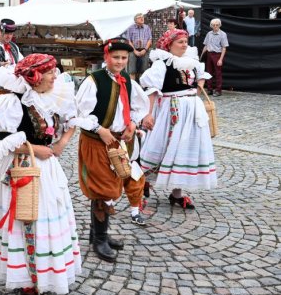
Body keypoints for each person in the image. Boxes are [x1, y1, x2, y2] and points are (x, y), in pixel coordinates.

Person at [0, 54, 81, 295]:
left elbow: (71, 124)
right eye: (50, 72)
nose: (55, 76)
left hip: (46, 167)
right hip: (20, 167)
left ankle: (44, 274)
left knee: (46, 218)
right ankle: (26, 278)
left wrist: (60, 145)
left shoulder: (52, 97)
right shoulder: (11, 103)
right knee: (26, 219)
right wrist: (35, 149)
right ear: (35, 76)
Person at [75, 38, 150, 263]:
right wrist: (100, 129)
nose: (119, 62)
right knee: (102, 189)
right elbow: (80, 111)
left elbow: (139, 105)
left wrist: (133, 123)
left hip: (119, 141)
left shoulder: (126, 79)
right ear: (106, 57)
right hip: (97, 141)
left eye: (124, 58)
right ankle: (99, 239)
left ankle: (98, 233)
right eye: (115, 57)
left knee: (114, 183)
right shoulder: (94, 80)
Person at [139, 28, 216, 210]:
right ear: (169, 44)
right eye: (180, 42)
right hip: (170, 110)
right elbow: (152, 90)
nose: (184, 45)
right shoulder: (162, 63)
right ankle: (142, 184)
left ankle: (176, 194)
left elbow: (200, 79)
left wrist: (197, 86)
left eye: (185, 41)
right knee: (161, 146)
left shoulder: (191, 61)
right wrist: (148, 114)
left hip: (191, 110)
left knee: (183, 149)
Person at [200, 18, 228, 97]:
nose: (215, 26)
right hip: (209, 54)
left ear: (219, 25)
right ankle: (209, 89)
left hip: (217, 55)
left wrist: (220, 59)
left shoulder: (223, 34)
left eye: (217, 25)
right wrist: (201, 56)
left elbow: (224, 48)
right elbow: (206, 45)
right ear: (211, 25)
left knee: (218, 73)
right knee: (208, 73)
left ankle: (218, 90)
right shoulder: (209, 34)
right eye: (213, 25)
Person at [122, 13, 152, 81]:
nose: (142, 18)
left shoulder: (147, 27)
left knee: (144, 70)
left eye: (142, 17)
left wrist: (145, 49)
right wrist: (134, 50)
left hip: (144, 50)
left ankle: (142, 88)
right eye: (139, 17)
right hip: (133, 50)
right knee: (132, 70)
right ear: (135, 20)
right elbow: (129, 40)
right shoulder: (131, 28)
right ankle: (132, 87)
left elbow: (150, 39)